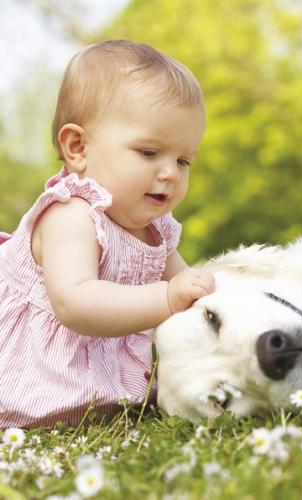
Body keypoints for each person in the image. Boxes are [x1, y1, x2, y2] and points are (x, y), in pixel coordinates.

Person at [0, 40, 215, 428]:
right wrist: (167, 297)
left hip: (93, 364)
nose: (170, 173)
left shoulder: (158, 229)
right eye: (149, 152)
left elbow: (188, 284)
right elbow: (76, 302)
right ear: (78, 147)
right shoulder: (70, 214)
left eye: (183, 160)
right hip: (34, 358)